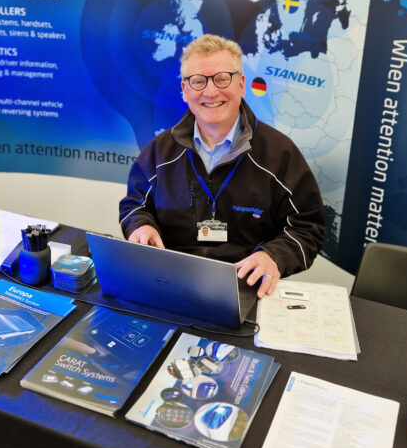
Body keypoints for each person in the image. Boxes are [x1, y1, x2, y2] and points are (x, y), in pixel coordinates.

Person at [119, 34, 325, 297]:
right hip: (170, 285)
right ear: (184, 91)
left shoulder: (280, 155)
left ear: (241, 85)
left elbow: (307, 227)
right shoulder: (160, 151)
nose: (210, 91)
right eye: (198, 81)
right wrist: (140, 225)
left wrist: (274, 257)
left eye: (222, 78)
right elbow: (134, 203)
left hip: (247, 288)